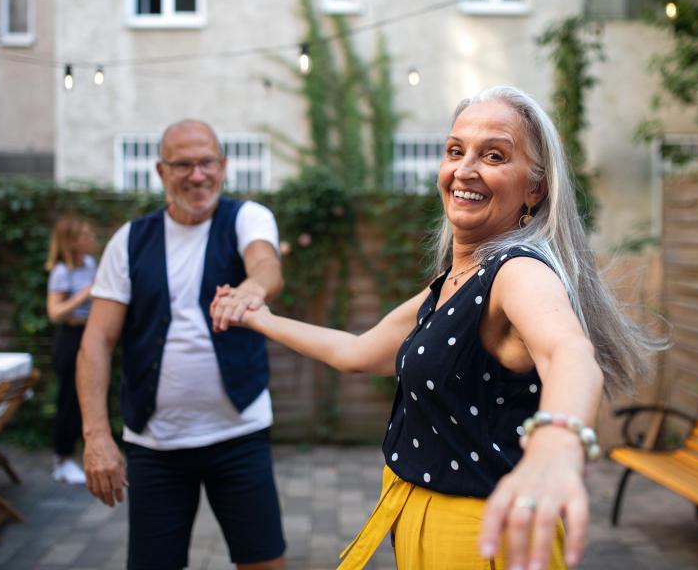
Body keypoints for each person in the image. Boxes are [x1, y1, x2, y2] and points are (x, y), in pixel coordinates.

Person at [212, 86, 663, 570]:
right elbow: (358, 351)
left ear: (535, 187)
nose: (465, 169)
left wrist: (557, 442)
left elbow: (569, 352)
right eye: (455, 151)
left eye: (494, 155)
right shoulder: (456, 281)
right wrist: (260, 319)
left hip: (480, 540)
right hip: (419, 522)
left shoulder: (517, 271)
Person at [76, 119, 286, 570]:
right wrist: (95, 435)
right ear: (161, 171)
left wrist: (253, 290)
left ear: (223, 166)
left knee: (265, 563)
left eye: (207, 162)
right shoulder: (129, 240)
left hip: (239, 435)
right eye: (183, 165)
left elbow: (266, 264)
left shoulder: (247, 217)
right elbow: (97, 340)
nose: (197, 175)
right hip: (154, 445)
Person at [45, 214, 98, 484]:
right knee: (69, 400)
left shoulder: (90, 263)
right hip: (70, 338)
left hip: (90, 334)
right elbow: (54, 313)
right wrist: (84, 294)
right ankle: (62, 460)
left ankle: (83, 454)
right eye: (86, 235)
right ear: (73, 242)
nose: (92, 239)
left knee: (88, 400)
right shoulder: (61, 271)